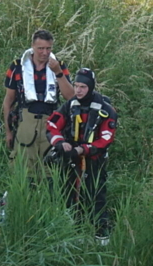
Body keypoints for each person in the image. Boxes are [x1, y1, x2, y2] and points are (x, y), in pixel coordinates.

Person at [45, 68, 117, 241]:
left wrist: (84, 149)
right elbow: (52, 125)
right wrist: (60, 143)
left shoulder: (105, 109)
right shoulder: (70, 105)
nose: (78, 90)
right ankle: (72, 231)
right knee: (65, 192)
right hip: (71, 158)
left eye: (83, 87)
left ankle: (101, 234)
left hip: (94, 159)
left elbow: (106, 138)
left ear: (91, 87)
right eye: (76, 86)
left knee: (95, 194)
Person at [2, 29, 74, 176]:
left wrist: (58, 73)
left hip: (51, 120)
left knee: (49, 166)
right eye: (40, 48)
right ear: (32, 47)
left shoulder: (58, 65)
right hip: (26, 119)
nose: (45, 53)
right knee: (22, 165)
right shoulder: (17, 66)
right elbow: (8, 101)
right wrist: (8, 131)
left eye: (48, 48)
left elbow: (70, 97)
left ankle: (47, 195)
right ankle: (23, 195)